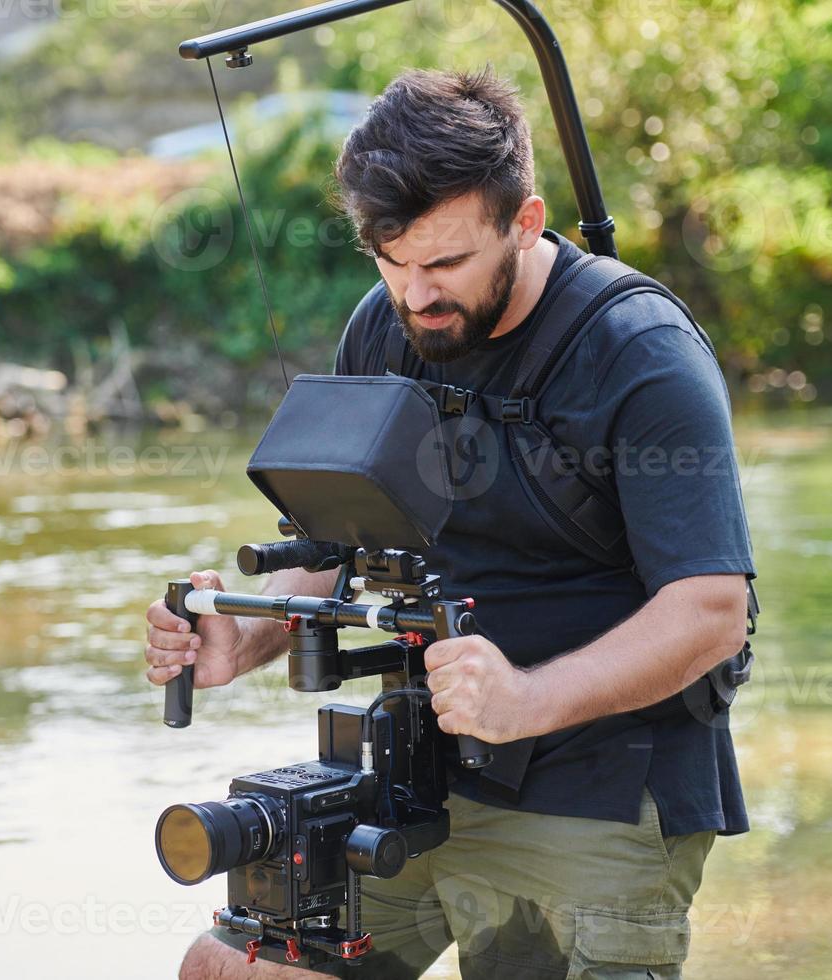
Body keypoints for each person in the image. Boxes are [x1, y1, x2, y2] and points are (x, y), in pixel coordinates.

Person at [143, 67, 756, 980]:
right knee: (224, 968)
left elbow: (712, 613)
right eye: (392, 264)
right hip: (421, 764)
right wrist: (247, 632)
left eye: (445, 265)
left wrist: (527, 700)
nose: (416, 296)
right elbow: (333, 543)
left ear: (526, 221)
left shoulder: (641, 357)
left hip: (600, 778)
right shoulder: (382, 327)